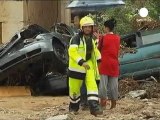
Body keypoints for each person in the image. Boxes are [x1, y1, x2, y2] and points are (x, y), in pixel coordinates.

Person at [68, 16, 102, 116]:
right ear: (82, 28)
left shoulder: (92, 39)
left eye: (90, 27)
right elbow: (72, 52)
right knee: (74, 90)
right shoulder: (76, 38)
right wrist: (81, 62)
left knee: (92, 85)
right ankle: (73, 107)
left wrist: (99, 59)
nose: (88, 29)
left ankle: (94, 106)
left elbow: (95, 51)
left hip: (89, 65)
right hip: (77, 68)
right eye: (85, 27)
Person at [98, 18, 120, 109]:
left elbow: (98, 49)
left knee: (103, 85)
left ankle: (103, 105)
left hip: (104, 63)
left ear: (106, 28)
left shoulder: (103, 37)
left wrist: (99, 38)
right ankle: (113, 104)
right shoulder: (118, 38)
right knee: (113, 85)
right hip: (114, 63)